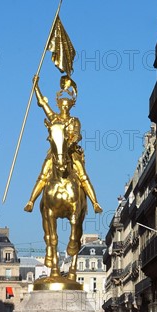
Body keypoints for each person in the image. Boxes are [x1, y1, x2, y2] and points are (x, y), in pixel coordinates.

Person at [24, 75, 102, 215]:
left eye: (67, 105)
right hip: (55, 151)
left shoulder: (74, 120)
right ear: (59, 105)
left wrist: (72, 143)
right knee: (43, 173)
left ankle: (95, 202)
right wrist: (36, 87)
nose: (64, 107)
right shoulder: (54, 118)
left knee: (82, 174)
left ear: (71, 105)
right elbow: (42, 103)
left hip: (72, 152)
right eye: (62, 105)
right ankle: (31, 201)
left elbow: (78, 134)